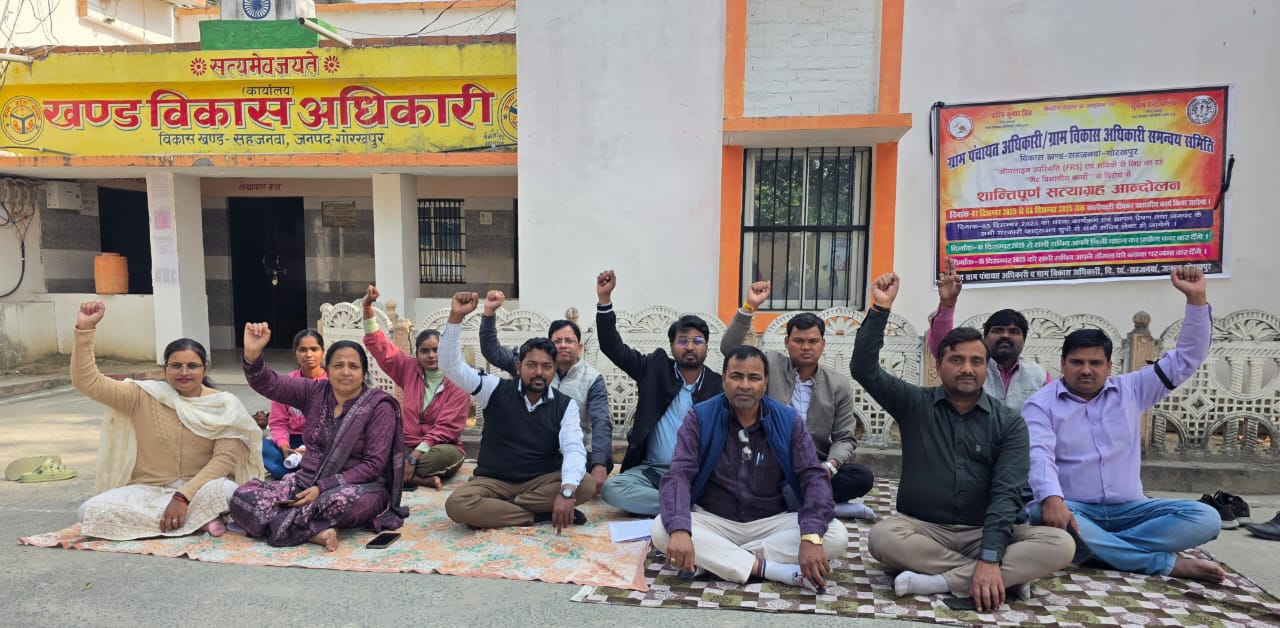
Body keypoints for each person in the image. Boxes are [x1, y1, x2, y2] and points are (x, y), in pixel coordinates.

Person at [852, 274, 1073, 612]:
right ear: (938, 366)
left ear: (987, 368)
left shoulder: (1009, 423)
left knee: (1059, 544)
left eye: (976, 361)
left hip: (987, 530)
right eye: (956, 360)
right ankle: (1005, 576)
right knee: (882, 538)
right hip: (925, 529)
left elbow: (1006, 493)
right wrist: (881, 308)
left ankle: (941, 581)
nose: (967, 369)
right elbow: (864, 369)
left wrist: (989, 554)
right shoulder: (915, 404)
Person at [1024, 265, 1225, 583]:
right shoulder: (1040, 404)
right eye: (1077, 362)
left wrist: (1196, 299)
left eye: (1095, 363)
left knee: (1206, 518)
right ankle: (1161, 564)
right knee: (1040, 512)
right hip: (1078, 510)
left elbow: (1186, 357)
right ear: (1062, 364)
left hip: (1131, 510)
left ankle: (1100, 552)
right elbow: (1039, 455)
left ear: (1110, 366)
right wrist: (1051, 499)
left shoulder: (1133, 389)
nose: (1086, 370)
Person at [652, 346, 848, 592]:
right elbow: (678, 474)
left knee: (835, 534)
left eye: (753, 377)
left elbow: (813, 476)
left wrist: (810, 536)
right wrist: (681, 529)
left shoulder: (788, 420)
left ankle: (715, 560)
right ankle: (771, 569)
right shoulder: (700, 417)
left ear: (765, 382)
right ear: (724, 379)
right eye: (736, 376)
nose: (744, 385)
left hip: (770, 522)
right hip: (715, 519)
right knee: (662, 529)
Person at [70, 301, 263, 541]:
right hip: (148, 489)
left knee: (230, 492)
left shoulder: (224, 404)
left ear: (205, 368)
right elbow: (87, 382)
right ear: (165, 369)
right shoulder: (142, 395)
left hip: (200, 488)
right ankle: (199, 520)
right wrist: (85, 330)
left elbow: (223, 461)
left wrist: (183, 496)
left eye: (192, 366)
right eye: (176, 366)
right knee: (87, 511)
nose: (184, 372)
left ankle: (184, 517)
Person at [231, 323, 407, 551]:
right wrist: (253, 354)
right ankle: (314, 531)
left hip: (357, 487)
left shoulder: (378, 406)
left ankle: (281, 519)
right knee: (242, 497)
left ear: (364, 372)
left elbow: (373, 465)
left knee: (340, 503)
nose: (345, 372)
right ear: (328, 368)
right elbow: (270, 383)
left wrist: (323, 487)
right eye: (338, 365)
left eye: (353, 366)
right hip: (305, 481)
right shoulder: (314, 391)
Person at [721, 280, 876, 520]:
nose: (806, 347)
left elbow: (845, 438)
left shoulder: (838, 384)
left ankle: (797, 502)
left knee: (861, 477)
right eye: (799, 341)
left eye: (813, 341)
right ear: (787, 343)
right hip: (769, 459)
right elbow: (730, 349)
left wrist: (830, 466)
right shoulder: (770, 365)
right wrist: (749, 307)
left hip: (813, 464)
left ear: (822, 344)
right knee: (745, 473)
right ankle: (821, 505)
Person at [439, 292, 594, 531]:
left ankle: (501, 510)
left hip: (539, 482)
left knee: (584, 484)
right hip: (493, 482)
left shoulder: (565, 405)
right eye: (531, 365)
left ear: (554, 370)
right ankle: (536, 516)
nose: (539, 373)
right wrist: (456, 318)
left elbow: (573, 447)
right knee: (457, 505)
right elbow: (452, 367)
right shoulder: (494, 389)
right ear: (519, 366)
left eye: (546, 367)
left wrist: (566, 492)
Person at [594, 270, 723, 516]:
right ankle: (689, 509)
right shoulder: (654, 369)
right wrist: (604, 300)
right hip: (653, 472)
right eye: (683, 341)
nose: (690, 347)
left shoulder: (717, 385)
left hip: (697, 473)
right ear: (672, 346)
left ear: (706, 346)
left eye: (697, 341)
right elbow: (613, 347)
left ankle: (675, 505)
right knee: (613, 489)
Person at [479, 289, 612, 494]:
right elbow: (492, 351)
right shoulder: (532, 369)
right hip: (534, 452)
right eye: (557, 341)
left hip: (573, 451)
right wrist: (489, 313)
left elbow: (601, 422)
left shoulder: (592, 379)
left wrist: (600, 464)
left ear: (580, 347)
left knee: (592, 467)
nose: (563, 346)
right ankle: (535, 496)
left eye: (569, 341)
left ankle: (541, 493)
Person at [361, 285, 470, 489]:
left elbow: (446, 428)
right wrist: (367, 306)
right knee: (370, 450)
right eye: (425, 351)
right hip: (407, 443)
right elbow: (380, 346)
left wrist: (414, 457)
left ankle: (396, 474)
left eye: (437, 350)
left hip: (440, 447)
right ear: (417, 354)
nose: (431, 355)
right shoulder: (409, 369)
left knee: (440, 458)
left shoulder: (459, 380)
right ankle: (419, 479)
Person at [927, 257, 1050, 412]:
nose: (1005, 336)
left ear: (1024, 340)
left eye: (1013, 332)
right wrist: (948, 304)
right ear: (985, 338)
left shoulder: (1040, 376)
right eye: (998, 330)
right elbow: (943, 345)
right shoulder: (970, 367)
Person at [262, 329, 327, 480]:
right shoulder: (285, 384)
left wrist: (310, 449)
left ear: (323, 352)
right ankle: (298, 473)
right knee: (256, 444)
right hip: (293, 442)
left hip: (322, 442)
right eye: (303, 350)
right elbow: (278, 423)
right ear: (295, 353)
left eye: (314, 349)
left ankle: (291, 473)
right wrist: (284, 447)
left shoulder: (332, 381)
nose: (309, 355)